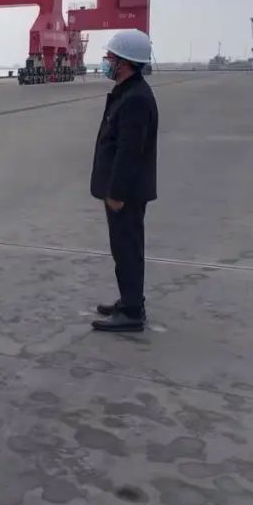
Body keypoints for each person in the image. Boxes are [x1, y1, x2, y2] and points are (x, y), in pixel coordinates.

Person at [90, 29, 158, 333]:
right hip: (123, 189)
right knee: (124, 248)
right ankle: (130, 300)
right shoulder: (128, 92)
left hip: (125, 192)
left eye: (110, 57)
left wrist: (116, 193)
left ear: (125, 62)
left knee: (127, 249)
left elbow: (129, 151)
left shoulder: (135, 99)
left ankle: (132, 312)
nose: (106, 61)